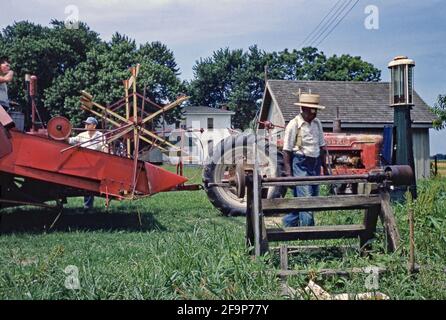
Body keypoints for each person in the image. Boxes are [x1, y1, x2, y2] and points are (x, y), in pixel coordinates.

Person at [282, 92, 328, 227]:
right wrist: (289, 175)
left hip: (315, 163)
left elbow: (322, 146)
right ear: (303, 109)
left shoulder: (317, 123)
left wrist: (325, 168)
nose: (314, 114)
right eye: (312, 111)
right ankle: (309, 233)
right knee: (306, 200)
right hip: (300, 163)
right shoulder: (294, 124)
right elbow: (286, 151)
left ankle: (287, 224)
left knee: (310, 198)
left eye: (316, 111)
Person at [68, 116, 108, 210]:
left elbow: (104, 147)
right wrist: (62, 136)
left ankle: (88, 206)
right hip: (84, 162)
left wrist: (107, 156)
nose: (85, 125)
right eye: (85, 123)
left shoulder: (100, 135)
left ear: (94, 126)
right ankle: (87, 205)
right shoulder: (82, 135)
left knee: (90, 184)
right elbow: (72, 140)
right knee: (84, 183)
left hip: (96, 163)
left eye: (88, 124)